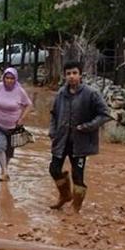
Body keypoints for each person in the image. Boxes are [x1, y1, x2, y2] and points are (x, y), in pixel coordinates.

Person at [48, 60, 111, 212]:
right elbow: (54, 114)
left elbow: (104, 114)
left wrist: (88, 126)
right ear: (64, 76)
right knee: (54, 169)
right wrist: (52, 131)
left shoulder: (91, 93)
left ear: (80, 75)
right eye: (68, 74)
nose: (71, 76)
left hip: (81, 143)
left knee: (78, 175)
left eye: (74, 73)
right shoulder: (61, 93)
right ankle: (65, 196)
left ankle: (76, 207)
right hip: (62, 140)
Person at [0, 67, 32, 181]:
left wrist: (22, 118)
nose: (9, 80)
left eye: (12, 78)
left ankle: (4, 169)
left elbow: (29, 105)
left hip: (13, 126)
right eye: (7, 78)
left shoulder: (19, 91)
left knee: (9, 151)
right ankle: (5, 171)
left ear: (15, 79)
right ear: (3, 78)